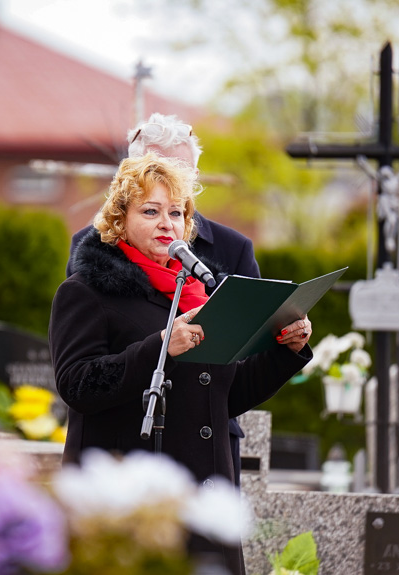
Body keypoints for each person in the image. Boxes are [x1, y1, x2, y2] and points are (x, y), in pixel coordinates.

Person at [49, 152, 313, 575]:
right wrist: (160, 347)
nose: (166, 223)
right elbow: (78, 384)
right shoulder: (85, 292)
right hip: (129, 506)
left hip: (202, 498)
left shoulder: (197, 294)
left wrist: (286, 349)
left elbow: (227, 395)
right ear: (119, 220)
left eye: (176, 212)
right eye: (150, 211)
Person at [66, 113, 260, 486]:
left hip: (205, 439)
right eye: (157, 169)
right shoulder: (93, 250)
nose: (172, 186)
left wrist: (285, 346)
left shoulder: (233, 249)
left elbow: (242, 358)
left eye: (184, 175)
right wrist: (161, 346)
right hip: (130, 442)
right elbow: (89, 358)